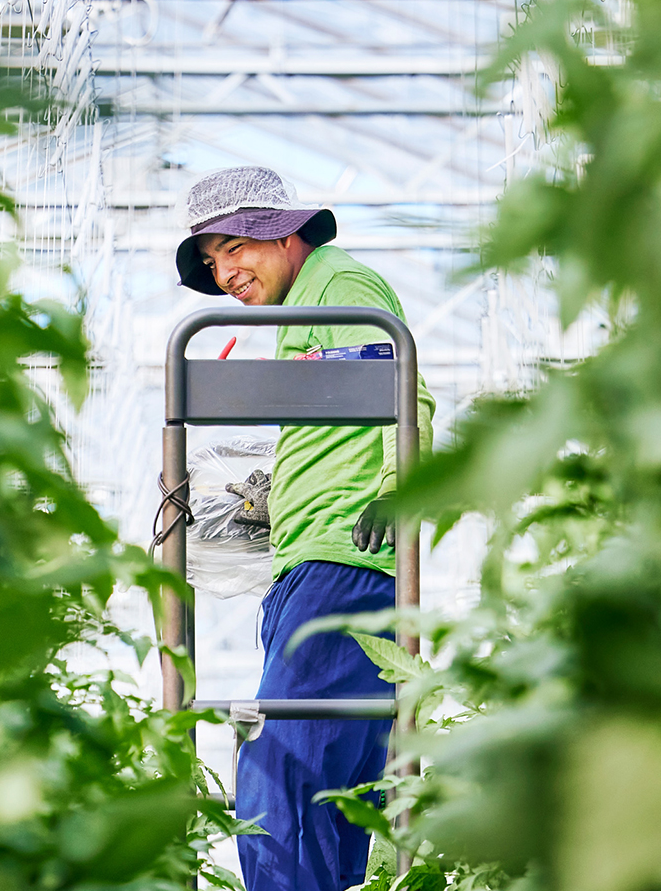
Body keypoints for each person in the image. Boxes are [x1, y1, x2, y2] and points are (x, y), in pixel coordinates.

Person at [173, 166, 435, 891]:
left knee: (278, 768)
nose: (226, 272)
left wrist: (396, 486)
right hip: (312, 566)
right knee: (337, 792)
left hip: (344, 563)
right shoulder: (307, 311)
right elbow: (340, 424)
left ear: (285, 234)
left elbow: (406, 394)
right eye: (212, 261)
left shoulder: (343, 288)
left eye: (237, 248)